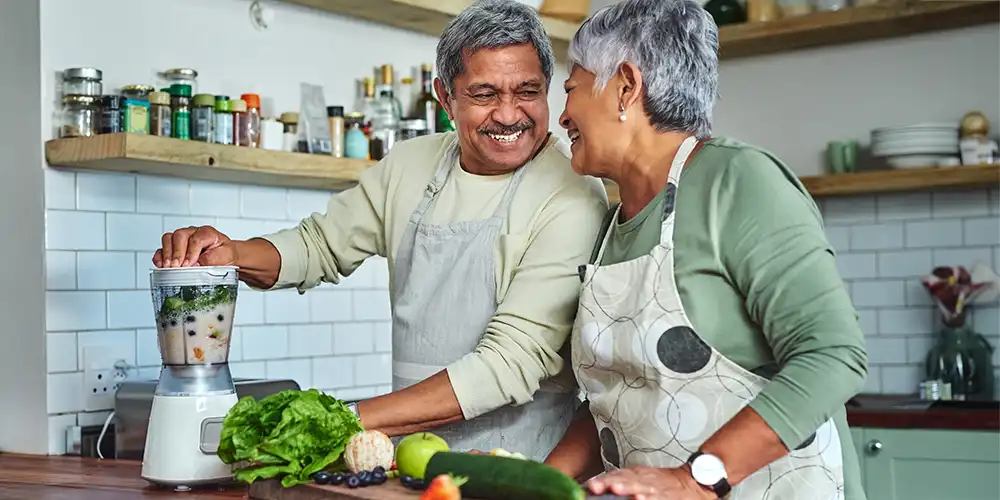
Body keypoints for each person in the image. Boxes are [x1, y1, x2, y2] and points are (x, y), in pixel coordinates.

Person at [152, 0, 608, 461]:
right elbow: (320, 245)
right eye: (484, 95)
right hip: (407, 462)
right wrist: (231, 254)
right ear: (445, 98)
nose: (509, 115)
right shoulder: (412, 165)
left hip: (520, 467)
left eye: (527, 91)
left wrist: (340, 420)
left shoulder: (572, 194)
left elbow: (509, 363)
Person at [542, 0, 869, 499]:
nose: (563, 116)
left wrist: (696, 479)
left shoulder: (739, 181)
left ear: (626, 86)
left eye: (571, 90)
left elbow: (833, 354)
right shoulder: (611, 226)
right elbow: (624, 402)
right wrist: (537, 483)